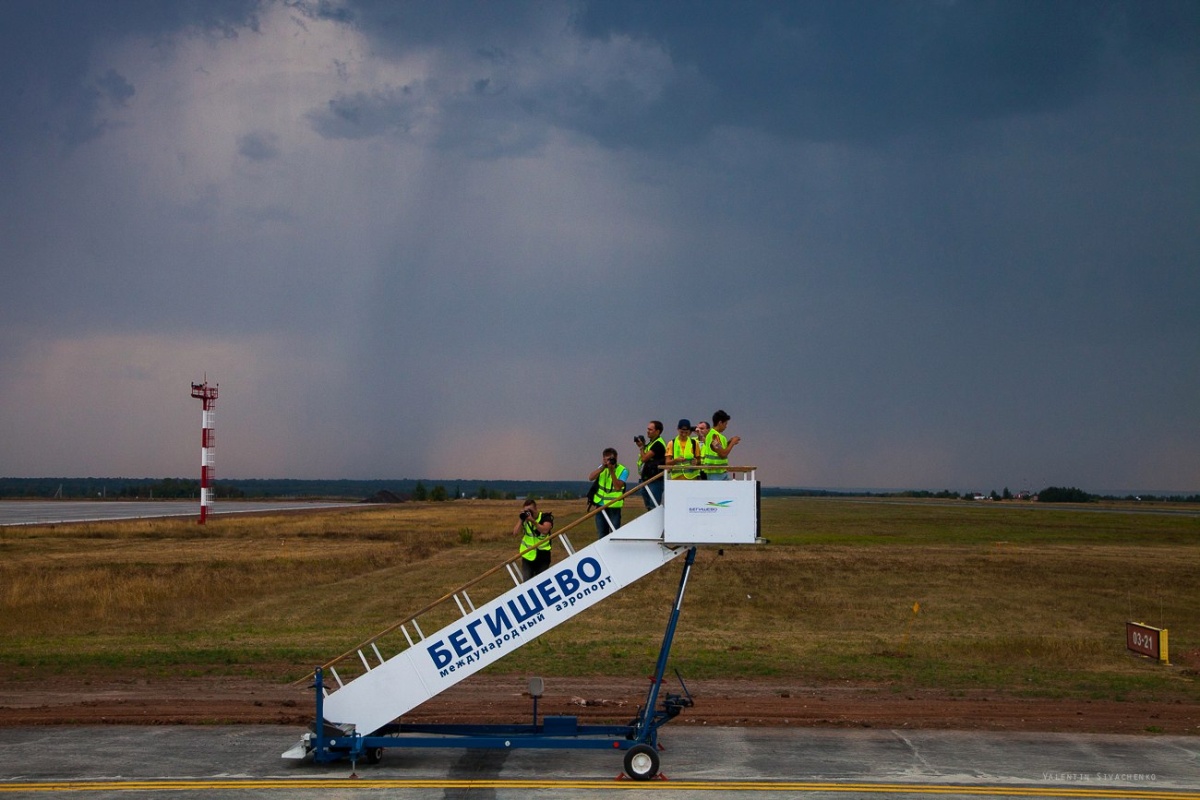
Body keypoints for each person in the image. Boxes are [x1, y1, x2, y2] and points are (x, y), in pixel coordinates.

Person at [588, 447, 628, 538]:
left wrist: (612, 471)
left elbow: (618, 487)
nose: (609, 461)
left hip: (614, 505)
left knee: (615, 533)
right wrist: (602, 467)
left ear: (616, 458)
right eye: (606, 459)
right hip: (600, 504)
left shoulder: (623, 470)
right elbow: (590, 477)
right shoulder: (602, 468)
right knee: (602, 534)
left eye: (611, 459)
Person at [513, 498, 553, 581]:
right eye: (526, 511)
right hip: (527, 555)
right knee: (527, 581)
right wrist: (521, 519)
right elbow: (515, 533)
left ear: (535, 508)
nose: (529, 513)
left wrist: (533, 521)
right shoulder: (525, 520)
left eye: (530, 510)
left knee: (542, 581)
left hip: (543, 555)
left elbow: (545, 530)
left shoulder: (545, 517)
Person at [634, 420, 667, 508]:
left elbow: (644, 458)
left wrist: (641, 447)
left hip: (655, 480)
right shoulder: (651, 443)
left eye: (650, 429)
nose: (648, 431)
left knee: (654, 506)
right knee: (649, 507)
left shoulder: (658, 444)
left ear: (657, 431)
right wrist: (644, 445)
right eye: (647, 429)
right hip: (647, 478)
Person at [703, 409, 741, 480]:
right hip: (715, 472)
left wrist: (729, 443)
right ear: (720, 423)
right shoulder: (714, 436)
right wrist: (732, 443)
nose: (726, 426)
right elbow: (723, 454)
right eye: (725, 424)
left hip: (720, 471)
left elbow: (718, 449)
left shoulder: (715, 435)